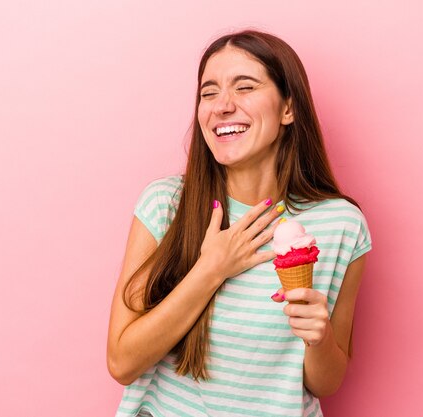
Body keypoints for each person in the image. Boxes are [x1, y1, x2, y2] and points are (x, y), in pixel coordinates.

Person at [107, 29, 372, 417]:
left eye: (244, 87)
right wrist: (211, 269)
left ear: (288, 108)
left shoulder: (342, 226)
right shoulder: (167, 204)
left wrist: (320, 337)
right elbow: (122, 362)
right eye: (208, 92)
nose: (222, 106)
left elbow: (324, 383)